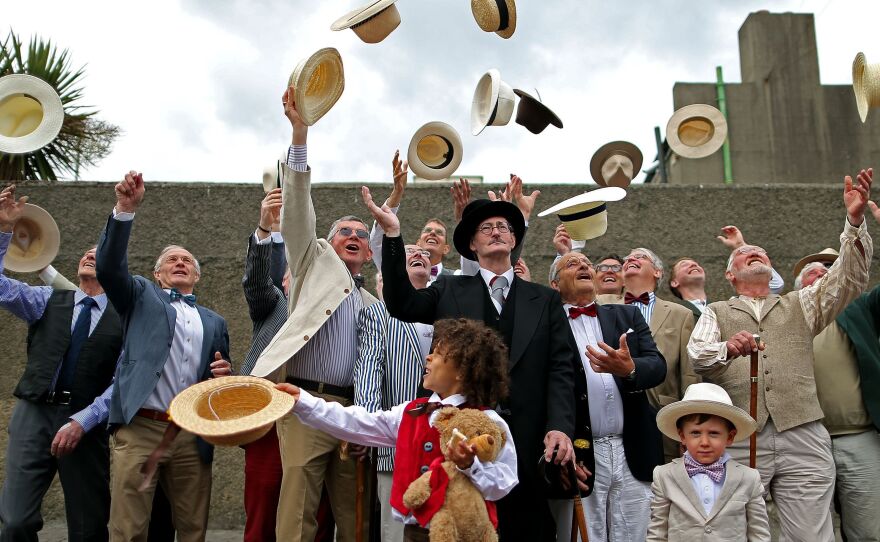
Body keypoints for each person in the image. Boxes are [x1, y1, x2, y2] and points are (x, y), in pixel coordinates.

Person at [366, 191, 577, 540]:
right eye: (486, 227)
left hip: (527, 444)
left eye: (504, 227)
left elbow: (561, 368)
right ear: (472, 245)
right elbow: (403, 303)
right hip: (461, 445)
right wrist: (391, 235)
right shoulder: (449, 288)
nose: (496, 231)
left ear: (513, 239)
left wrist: (559, 426)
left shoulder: (545, 299)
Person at [687, 169, 874, 541]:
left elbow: (848, 279)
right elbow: (699, 356)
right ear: (729, 275)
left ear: (770, 269)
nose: (751, 252)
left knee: (811, 535)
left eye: (759, 251)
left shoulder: (800, 302)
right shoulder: (716, 311)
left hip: (803, 432)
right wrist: (728, 347)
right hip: (739, 438)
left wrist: (854, 222)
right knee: (732, 533)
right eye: (741, 254)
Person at [248, 86, 379, 542]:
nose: (354, 236)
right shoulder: (311, 261)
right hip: (303, 403)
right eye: (345, 229)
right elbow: (298, 211)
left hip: (352, 409)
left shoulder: (374, 303)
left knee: (355, 514)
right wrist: (299, 135)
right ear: (329, 238)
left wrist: (370, 416)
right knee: (297, 510)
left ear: (368, 251)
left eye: (362, 235)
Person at [278, 318, 518, 541]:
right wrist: (304, 401)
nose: (428, 358)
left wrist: (470, 466)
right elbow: (356, 422)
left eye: (438, 354)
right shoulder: (412, 412)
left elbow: (505, 481)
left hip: (464, 533)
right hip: (415, 533)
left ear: (462, 371)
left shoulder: (486, 421)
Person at [95, 171, 232, 542]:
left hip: (191, 431)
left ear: (197, 276)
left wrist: (223, 375)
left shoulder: (215, 321)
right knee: (128, 528)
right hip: (140, 426)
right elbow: (107, 268)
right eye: (172, 259)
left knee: (192, 528)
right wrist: (125, 210)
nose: (180, 262)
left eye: (187, 259)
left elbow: (219, 375)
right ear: (157, 274)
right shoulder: (140, 295)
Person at [0, 184, 122, 542]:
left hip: (86, 421)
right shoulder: (45, 299)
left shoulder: (125, 316)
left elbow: (124, 379)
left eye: (99, 254)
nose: (89, 255)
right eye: (86, 252)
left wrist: (84, 421)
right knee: (15, 523)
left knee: (88, 527)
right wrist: (4, 230)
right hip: (33, 415)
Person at [546, 251, 667, 542]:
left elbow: (658, 365)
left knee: (636, 535)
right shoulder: (545, 326)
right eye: (572, 264)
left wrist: (630, 369)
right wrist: (556, 458)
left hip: (633, 449)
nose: (585, 266)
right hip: (579, 454)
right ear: (554, 284)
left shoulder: (626, 315)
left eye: (588, 263)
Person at [796, 242, 880, 541]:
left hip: (858, 435)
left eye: (830, 271)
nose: (824, 276)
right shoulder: (784, 313)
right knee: (809, 532)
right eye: (813, 273)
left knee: (868, 531)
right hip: (801, 439)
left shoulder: (861, 307)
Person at [355, 244, 434, 541]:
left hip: (444, 445)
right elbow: (368, 372)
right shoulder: (379, 313)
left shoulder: (444, 310)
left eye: (425, 254)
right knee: (396, 531)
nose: (419, 255)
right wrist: (366, 426)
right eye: (409, 252)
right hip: (398, 444)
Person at [598, 247, 699, 462]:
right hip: (611, 410)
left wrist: (690, 425)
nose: (631, 258)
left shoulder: (681, 314)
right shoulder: (600, 304)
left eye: (640, 256)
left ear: (658, 272)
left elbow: (689, 374)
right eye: (627, 258)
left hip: (662, 414)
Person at [648, 383, 770, 541]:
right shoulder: (664, 475)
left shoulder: (749, 478)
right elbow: (657, 532)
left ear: (730, 437)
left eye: (713, 433)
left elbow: (759, 534)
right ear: (682, 436)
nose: (704, 442)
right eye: (695, 433)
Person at [239, 187, 289, 542]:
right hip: (268, 420)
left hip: (315, 416)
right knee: (262, 512)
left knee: (312, 514)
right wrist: (265, 231)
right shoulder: (274, 304)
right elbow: (257, 280)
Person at [668, 225, 785, 318]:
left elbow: (774, 285)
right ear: (674, 282)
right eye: (684, 265)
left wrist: (741, 246)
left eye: (696, 264)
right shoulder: (671, 311)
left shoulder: (727, 306)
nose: (693, 264)